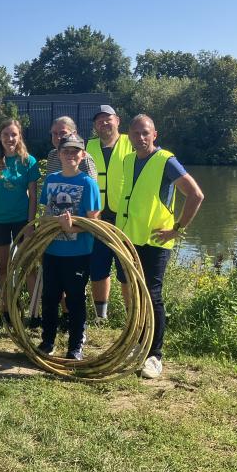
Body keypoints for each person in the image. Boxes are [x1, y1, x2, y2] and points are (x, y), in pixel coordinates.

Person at [117, 114, 204, 379]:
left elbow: (196, 195)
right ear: (129, 136)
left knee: (152, 296)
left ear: (155, 134)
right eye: (135, 133)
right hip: (129, 238)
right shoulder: (128, 159)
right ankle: (139, 344)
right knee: (134, 293)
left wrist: (177, 229)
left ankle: (154, 356)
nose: (140, 138)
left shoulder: (166, 161)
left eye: (145, 133)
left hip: (155, 241)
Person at [36, 133, 100, 359]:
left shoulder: (88, 183)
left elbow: (93, 222)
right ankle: (47, 342)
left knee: (74, 299)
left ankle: (75, 347)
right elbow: (45, 214)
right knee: (50, 297)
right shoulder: (51, 179)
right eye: (66, 151)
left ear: (82, 155)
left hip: (78, 252)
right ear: (59, 154)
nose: (70, 155)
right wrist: (46, 231)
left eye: (75, 151)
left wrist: (71, 228)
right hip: (53, 250)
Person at [0, 119, 40, 309]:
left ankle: (34, 309)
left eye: (13, 134)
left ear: (19, 136)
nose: (9, 138)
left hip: (21, 221)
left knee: (28, 265)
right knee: (3, 267)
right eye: (5, 134)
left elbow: (33, 197)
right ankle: (8, 306)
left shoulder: (28, 161)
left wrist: (30, 225)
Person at [86, 105, 134, 320]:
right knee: (98, 266)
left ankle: (131, 315)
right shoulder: (88, 146)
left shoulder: (131, 143)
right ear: (95, 125)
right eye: (99, 121)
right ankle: (100, 316)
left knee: (126, 269)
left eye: (108, 119)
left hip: (124, 215)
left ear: (118, 121)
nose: (104, 123)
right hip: (96, 215)